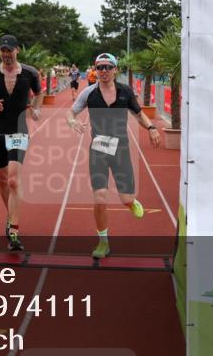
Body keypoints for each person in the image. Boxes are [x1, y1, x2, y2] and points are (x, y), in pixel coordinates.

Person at [67, 53, 161, 258]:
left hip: (121, 149)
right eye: (100, 67)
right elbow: (71, 113)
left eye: (108, 67)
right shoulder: (88, 93)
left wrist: (152, 127)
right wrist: (73, 122)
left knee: (126, 198)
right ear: (95, 70)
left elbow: (139, 114)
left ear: (115, 70)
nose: (104, 71)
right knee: (100, 197)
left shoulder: (125, 92)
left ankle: (131, 202)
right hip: (98, 150)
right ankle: (103, 242)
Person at [0, 35, 42, 252]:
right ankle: (10, 214)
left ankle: (13, 230)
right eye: (3, 50)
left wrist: (35, 108)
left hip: (19, 131)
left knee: (13, 180)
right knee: (2, 178)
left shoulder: (30, 73)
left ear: (17, 50)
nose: (6, 54)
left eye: (9, 50)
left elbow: (39, 93)